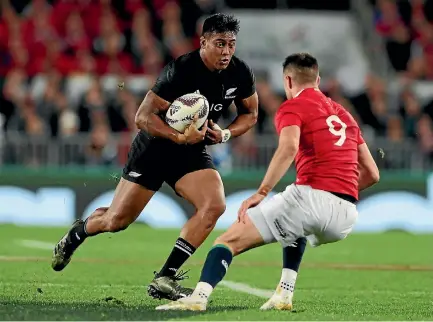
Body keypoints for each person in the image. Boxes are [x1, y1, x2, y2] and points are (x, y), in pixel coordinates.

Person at [51, 13, 259, 301]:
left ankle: (166, 276)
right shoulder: (182, 70)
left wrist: (224, 135)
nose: (226, 52)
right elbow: (142, 117)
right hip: (154, 149)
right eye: (219, 44)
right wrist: (178, 136)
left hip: (191, 152)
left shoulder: (240, 72)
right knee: (115, 221)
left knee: (214, 205)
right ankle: (78, 232)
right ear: (203, 42)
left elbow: (251, 113)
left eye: (231, 44)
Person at [155, 53, 380, 311]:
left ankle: (198, 298)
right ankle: (284, 293)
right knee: (294, 227)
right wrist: (340, 191)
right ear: (317, 80)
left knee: (226, 242)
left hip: (312, 198)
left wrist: (261, 192)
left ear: (287, 80)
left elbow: (289, 147)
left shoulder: (292, 107)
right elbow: (372, 174)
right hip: (346, 214)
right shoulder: (345, 115)